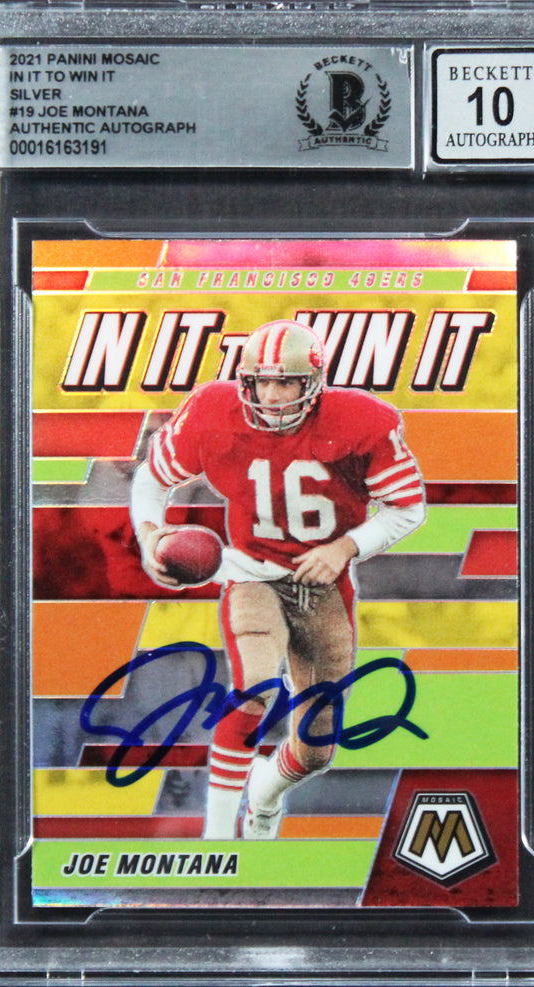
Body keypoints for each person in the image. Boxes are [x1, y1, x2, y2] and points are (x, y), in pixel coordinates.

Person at [130, 319, 425, 839]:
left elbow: (408, 507)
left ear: (313, 383)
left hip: (322, 585)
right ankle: (217, 838)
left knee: (316, 750)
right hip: (253, 571)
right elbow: (152, 481)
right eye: (260, 381)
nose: (270, 395)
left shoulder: (361, 420)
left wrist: (345, 547)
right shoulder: (213, 410)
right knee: (254, 688)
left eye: (285, 382)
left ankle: (264, 794)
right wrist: (151, 535)